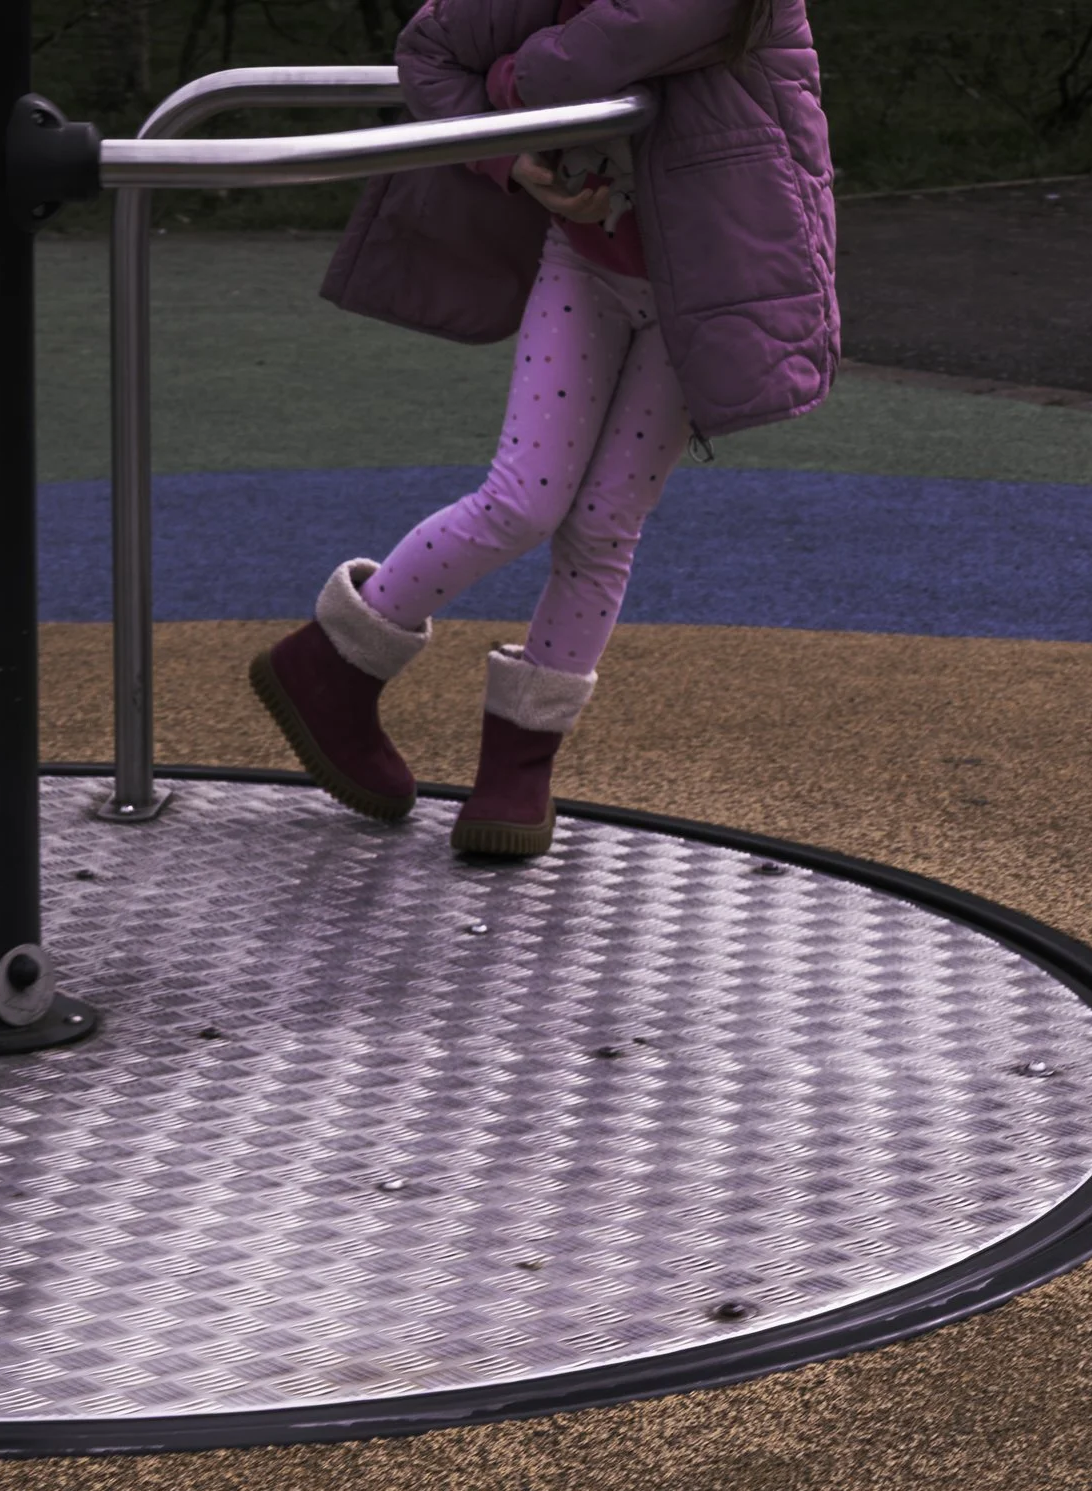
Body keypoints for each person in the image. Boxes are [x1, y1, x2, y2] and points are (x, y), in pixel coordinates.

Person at [253, 0, 836, 853]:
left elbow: (609, 43)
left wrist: (504, 83)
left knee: (604, 525)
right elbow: (430, 49)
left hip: (707, 284)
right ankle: (334, 664)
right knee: (522, 498)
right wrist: (510, 153)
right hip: (588, 262)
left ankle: (519, 764)